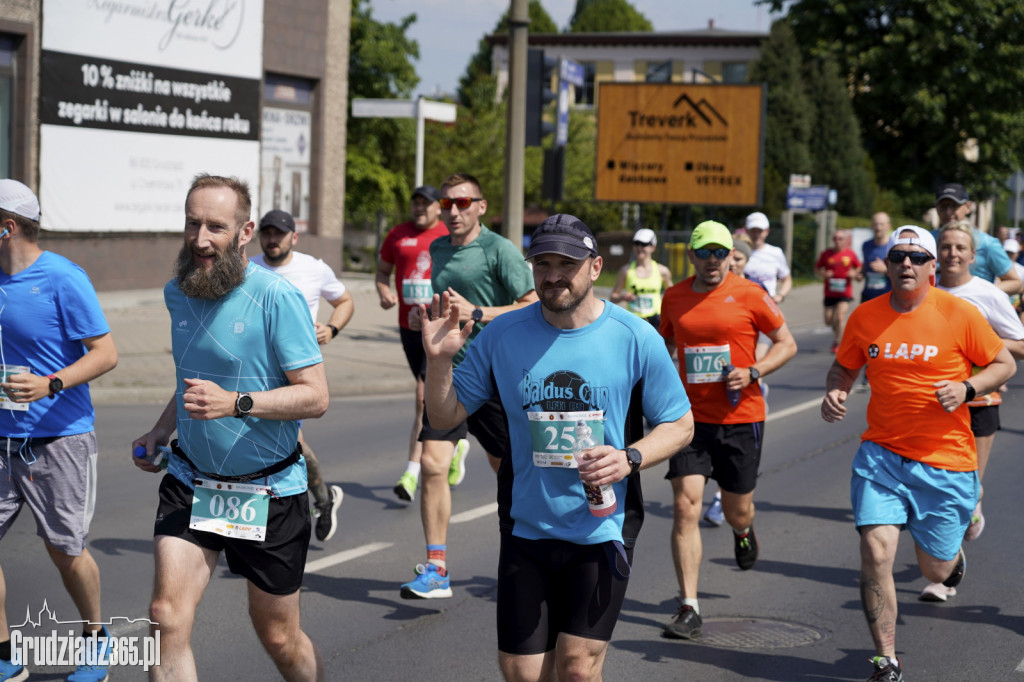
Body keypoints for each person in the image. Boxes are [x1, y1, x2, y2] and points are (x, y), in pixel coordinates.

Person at [421, 214, 694, 681]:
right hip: (528, 527)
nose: (552, 275)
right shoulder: (503, 336)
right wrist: (440, 362)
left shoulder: (633, 336)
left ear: (595, 267)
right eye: (542, 263)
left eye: (566, 263)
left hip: (602, 527)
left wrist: (629, 458)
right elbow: (445, 417)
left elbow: (681, 423)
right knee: (523, 673)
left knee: (578, 669)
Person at [132, 174, 329, 681]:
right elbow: (192, 384)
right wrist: (160, 430)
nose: (200, 240)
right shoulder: (178, 293)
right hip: (191, 477)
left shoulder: (276, 297)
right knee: (165, 617)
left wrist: (237, 403)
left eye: (215, 227)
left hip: (268, 489)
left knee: (280, 638)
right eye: (192, 223)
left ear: (244, 232)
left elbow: (315, 396)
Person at [821, 226, 1015, 682]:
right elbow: (845, 366)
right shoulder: (865, 316)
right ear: (886, 265)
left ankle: (953, 556)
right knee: (876, 548)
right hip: (882, 456)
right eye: (898, 256)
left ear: (932, 267)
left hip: (945, 460)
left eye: (916, 257)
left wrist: (967, 387)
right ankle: (886, 658)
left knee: (935, 566)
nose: (906, 264)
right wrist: (836, 391)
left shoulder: (958, 313)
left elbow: (1003, 363)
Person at [0, 179, 119, 682]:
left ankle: (97, 640)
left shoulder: (62, 279)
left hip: (60, 438)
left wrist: (50, 384)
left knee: (65, 551)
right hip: (2, 439)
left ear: (6, 227)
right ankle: (6, 654)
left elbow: (106, 354)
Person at [400, 172, 538, 599]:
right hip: (450, 372)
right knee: (433, 466)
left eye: (463, 203)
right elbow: (448, 305)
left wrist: (476, 312)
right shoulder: (437, 248)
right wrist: (425, 315)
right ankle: (437, 569)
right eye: (447, 204)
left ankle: (527, 560)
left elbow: (531, 306)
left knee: (508, 473)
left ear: (480, 205)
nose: (454, 211)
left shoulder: (501, 250)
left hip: (496, 377)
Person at [658, 221, 798, 640]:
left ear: (730, 255)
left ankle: (742, 529)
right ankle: (689, 606)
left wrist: (752, 370)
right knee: (686, 507)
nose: (713, 260)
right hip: (690, 420)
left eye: (721, 253)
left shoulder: (750, 294)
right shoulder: (675, 297)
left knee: (738, 508)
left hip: (740, 419)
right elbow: (664, 347)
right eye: (706, 253)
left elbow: (786, 343)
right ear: (692, 256)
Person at [917, 222, 1024, 601]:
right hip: (932, 407)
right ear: (935, 253)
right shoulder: (921, 292)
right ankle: (944, 574)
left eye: (960, 247)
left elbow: (1020, 345)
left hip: (979, 403)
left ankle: (969, 513)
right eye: (945, 247)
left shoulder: (987, 294)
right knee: (936, 491)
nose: (952, 254)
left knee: (964, 491)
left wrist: (980, 349)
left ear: (973, 256)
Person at [252, 208, 353, 542]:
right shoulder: (249, 268)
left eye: (278, 234)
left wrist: (332, 328)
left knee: (290, 443)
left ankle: (318, 500)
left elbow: (345, 301)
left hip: (296, 373)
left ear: (293, 237)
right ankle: (319, 499)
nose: (271, 240)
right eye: (266, 233)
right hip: (255, 369)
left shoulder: (313, 268)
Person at [375, 185, 468, 504]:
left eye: (425, 204)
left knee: (422, 394)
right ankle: (456, 439)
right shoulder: (397, 234)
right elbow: (382, 272)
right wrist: (384, 292)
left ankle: (413, 469)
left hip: (438, 323)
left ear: (436, 208)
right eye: (414, 203)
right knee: (431, 392)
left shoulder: (447, 233)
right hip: (408, 325)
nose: (419, 209)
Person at [934, 183, 1021, 296]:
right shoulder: (925, 239)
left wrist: (979, 293)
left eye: (954, 205)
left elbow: (1016, 282)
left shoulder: (987, 243)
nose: (948, 212)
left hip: (973, 310)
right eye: (943, 206)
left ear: (968, 207)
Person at [609, 227, 673, 328]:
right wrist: (622, 296)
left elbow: (673, 296)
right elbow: (613, 297)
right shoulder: (625, 270)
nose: (639, 247)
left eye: (644, 244)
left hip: (656, 321)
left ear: (653, 247)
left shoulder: (662, 271)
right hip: (633, 321)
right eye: (636, 243)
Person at [816, 230, 862, 353]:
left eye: (840, 238)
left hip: (844, 292)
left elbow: (859, 267)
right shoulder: (826, 254)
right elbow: (817, 268)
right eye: (835, 238)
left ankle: (838, 343)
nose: (837, 241)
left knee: (840, 317)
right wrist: (824, 273)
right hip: (830, 292)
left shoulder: (850, 254)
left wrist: (854, 273)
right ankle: (838, 332)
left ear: (846, 240)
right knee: (828, 320)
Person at [742, 211, 791, 305]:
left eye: (760, 231)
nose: (756, 235)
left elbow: (786, 279)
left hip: (768, 303)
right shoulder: (739, 253)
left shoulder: (776, 252)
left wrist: (780, 295)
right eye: (753, 231)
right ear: (747, 231)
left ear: (767, 231)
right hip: (744, 302)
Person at [860, 212, 893, 303]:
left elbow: (901, 273)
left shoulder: (893, 247)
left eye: (882, 224)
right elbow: (865, 266)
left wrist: (885, 270)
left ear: (888, 226)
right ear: (871, 226)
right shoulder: (866, 245)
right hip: (867, 296)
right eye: (875, 224)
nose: (878, 228)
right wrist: (860, 273)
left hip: (887, 297)